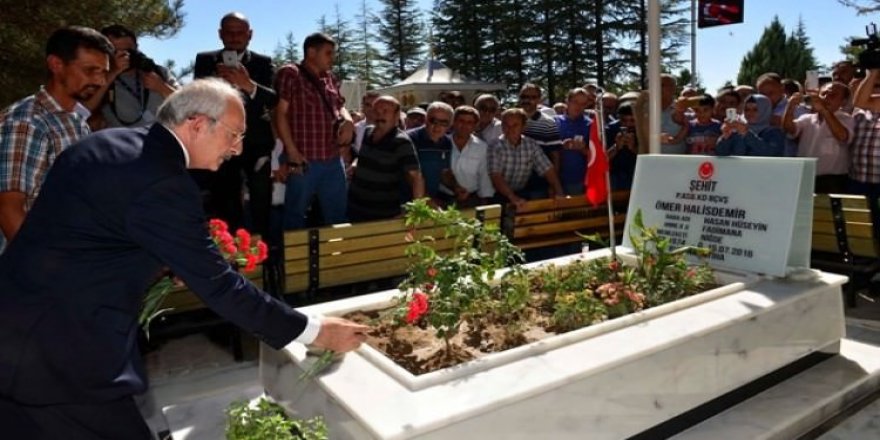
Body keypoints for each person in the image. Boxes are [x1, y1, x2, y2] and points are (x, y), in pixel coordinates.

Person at [0, 79, 368, 439]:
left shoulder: (106, 142)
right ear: (197, 124)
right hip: (59, 357)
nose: (238, 149)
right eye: (235, 134)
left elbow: (89, 238)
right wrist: (314, 331)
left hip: (20, 329)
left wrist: (163, 259)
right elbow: (221, 286)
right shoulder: (164, 183)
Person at [0, 26, 114, 251]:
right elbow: (8, 209)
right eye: (90, 70)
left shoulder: (76, 120)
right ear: (56, 65)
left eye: (103, 72)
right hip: (30, 270)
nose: (100, 81)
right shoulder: (27, 122)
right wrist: (45, 269)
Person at [193, 12, 277, 237]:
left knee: (261, 203)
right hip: (220, 145)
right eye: (229, 32)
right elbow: (196, 100)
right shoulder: (205, 60)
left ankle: (263, 255)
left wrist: (248, 85)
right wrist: (216, 85)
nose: (234, 37)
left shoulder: (262, 63)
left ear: (250, 35)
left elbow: (272, 100)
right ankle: (230, 255)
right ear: (220, 34)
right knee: (225, 203)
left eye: (239, 32)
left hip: (256, 144)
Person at [275, 32, 354, 229]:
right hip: (304, 161)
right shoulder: (290, 73)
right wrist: (292, 153)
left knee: (337, 217)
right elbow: (280, 114)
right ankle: (293, 260)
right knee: (295, 217)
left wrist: (349, 120)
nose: (332, 59)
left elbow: (340, 106)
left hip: (333, 159)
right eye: (328, 53)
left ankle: (337, 258)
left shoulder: (331, 78)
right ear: (311, 52)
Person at [348, 95, 425, 221]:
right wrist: (356, 163)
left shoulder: (401, 142)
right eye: (377, 111)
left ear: (396, 115)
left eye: (385, 111)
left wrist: (415, 210)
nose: (380, 115)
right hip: (355, 208)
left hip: (382, 214)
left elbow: (416, 177)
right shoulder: (368, 133)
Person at [86, 25, 179, 128]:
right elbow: (85, 109)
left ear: (136, 48)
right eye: (116, 52)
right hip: (124, 142)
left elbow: (188, 104)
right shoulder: (100, 79)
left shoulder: (158, 72)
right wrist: (112, 73)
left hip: (163, 140)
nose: (124, 56)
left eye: (128, 51)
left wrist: (162, 87)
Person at [782, 82, 853, 193]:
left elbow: (842, 136)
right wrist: (790, 107)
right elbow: (789, 129)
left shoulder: (846, 118)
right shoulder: (807, 118)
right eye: (823, 94)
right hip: (806, 176)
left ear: (843, 101)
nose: (826, 98)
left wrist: (824, 111)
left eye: (832, 95)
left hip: (832, 180)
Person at [489, 108, 564, 208]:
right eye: (506, 125)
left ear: (523, 127)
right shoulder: (494, 146)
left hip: (521, 193)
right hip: (497, 195)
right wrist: (513, 198)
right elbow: (496, 177)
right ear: (502, 126)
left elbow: (548, 170)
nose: (510, 129)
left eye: (515, 125)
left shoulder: (531, 145)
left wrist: (559, 193)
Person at [441, 106, 494, 207]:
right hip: (444, 198)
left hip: (471, 199)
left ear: (475, 125)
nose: (464, 125)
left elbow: (484, 177)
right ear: (454, 122)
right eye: (461, 121)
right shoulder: (441, 143)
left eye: (469, 122)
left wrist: (484, 204)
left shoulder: (482, 147)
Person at [407, 101, 454, 200]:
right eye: (433, 120)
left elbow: (444, 172)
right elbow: (410, 177)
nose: (437, 126)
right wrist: (429, 202)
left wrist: (457, 187)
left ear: (450, 125)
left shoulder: (446, 142)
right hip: (407, 201)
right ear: (426, 120)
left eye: (443, 122)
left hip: (431, 199)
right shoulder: (410, 139)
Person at [716, 94, 786, 157]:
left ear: (765, 110)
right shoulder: (738, 132)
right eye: (747, 110)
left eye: (755, 109)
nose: (750, 113)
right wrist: (725, 137)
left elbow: (770, 153)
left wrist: (746, 134)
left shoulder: (774, 133)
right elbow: (721, 153)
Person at [554, 88, 592, 195]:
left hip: (580, 179)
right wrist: (562, 146)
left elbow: (596, 155)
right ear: (567, 101)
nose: (578, 106)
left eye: (583, 103)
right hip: (556, 178)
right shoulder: (555, 122)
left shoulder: (591, 125)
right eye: (575, 102)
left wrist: (582, 149)